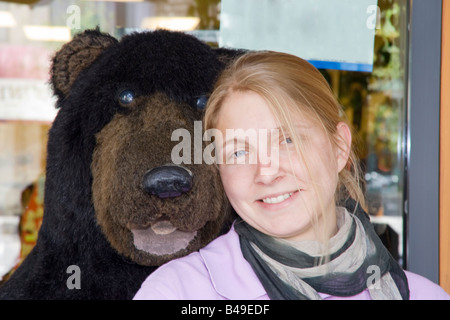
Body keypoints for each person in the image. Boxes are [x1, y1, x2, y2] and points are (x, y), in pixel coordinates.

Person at [133, 51, 450, 300]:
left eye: (287, 141)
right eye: (238, 152)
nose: (267, 172)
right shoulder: (178, 292)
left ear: (339, 147)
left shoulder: (424, 296)